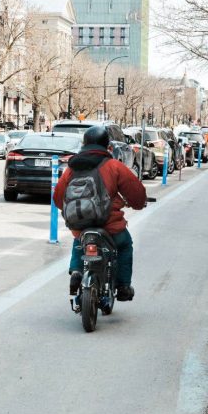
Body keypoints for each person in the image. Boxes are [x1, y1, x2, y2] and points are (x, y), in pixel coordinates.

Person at [54, 125, 147, 301]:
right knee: (125, 245)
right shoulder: (114, 166)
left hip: (81, 224)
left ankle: (76, 271)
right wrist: (139, 204)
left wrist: (77, 214)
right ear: (107, 145)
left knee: (79, 240)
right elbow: (136, 194)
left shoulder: (72, 168)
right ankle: (123, 286)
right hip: (110, 225)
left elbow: (58, 198)